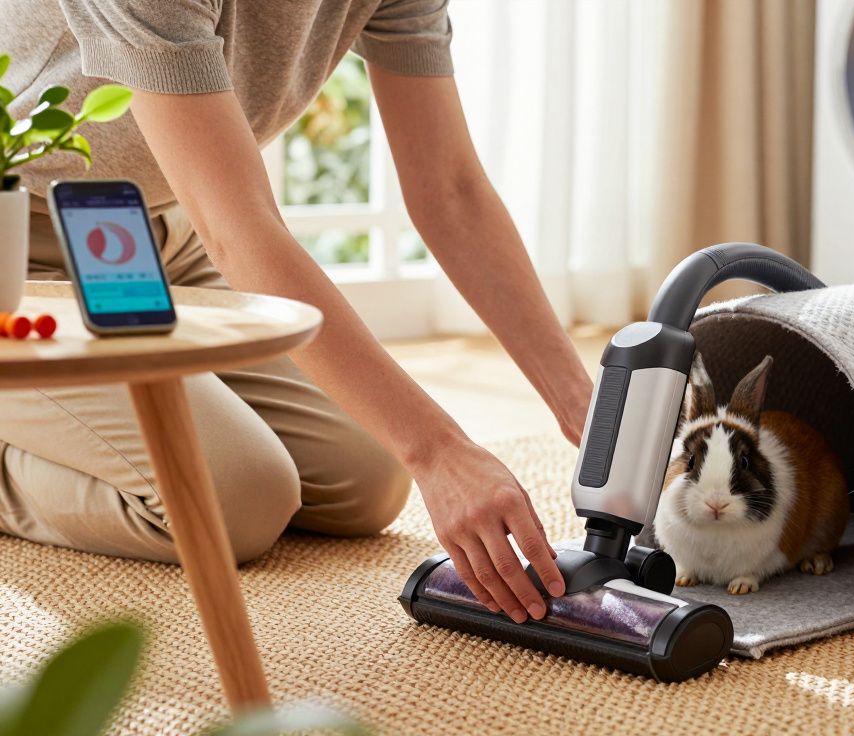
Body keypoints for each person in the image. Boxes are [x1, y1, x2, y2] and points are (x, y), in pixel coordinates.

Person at [0, 0, 591, 626]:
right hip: (19, 243)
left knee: (366, 477)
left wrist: (580, 399)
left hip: (149, 229)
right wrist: (439, 451)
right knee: (233, 501)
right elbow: (239, 228)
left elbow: (451, 191)